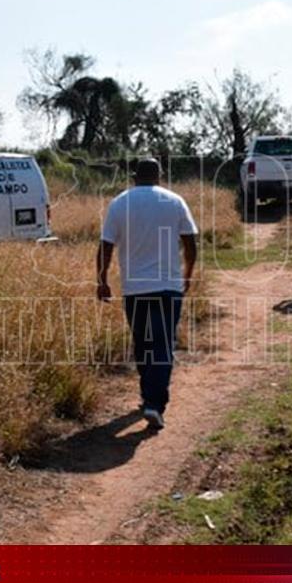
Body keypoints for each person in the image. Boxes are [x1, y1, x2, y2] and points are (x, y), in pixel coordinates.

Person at [97, 158, 199, 430]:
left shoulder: (120, 203)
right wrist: (187, 275)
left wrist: (102, 280)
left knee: (142, 342)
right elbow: (190, 243)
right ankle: (154, 403)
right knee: (163, 344)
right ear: (159, 176)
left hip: (135, 288)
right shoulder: (174, 201)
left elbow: (106, 245)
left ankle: (149, 397)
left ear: (134, 176)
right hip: (168, 286)